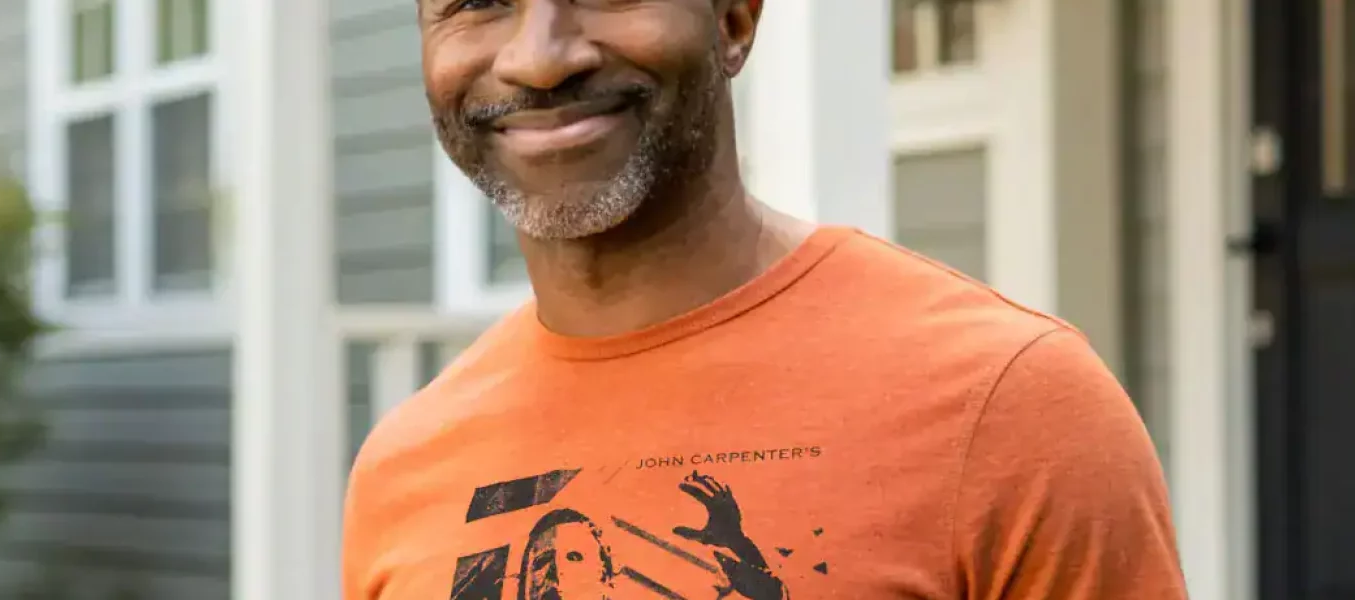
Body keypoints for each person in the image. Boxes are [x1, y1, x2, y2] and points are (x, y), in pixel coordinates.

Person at [340, 0, 1189, 598]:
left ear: (734, 18)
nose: (541, 56)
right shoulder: (403, 466)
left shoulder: (1009, 404)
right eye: (480, 0)